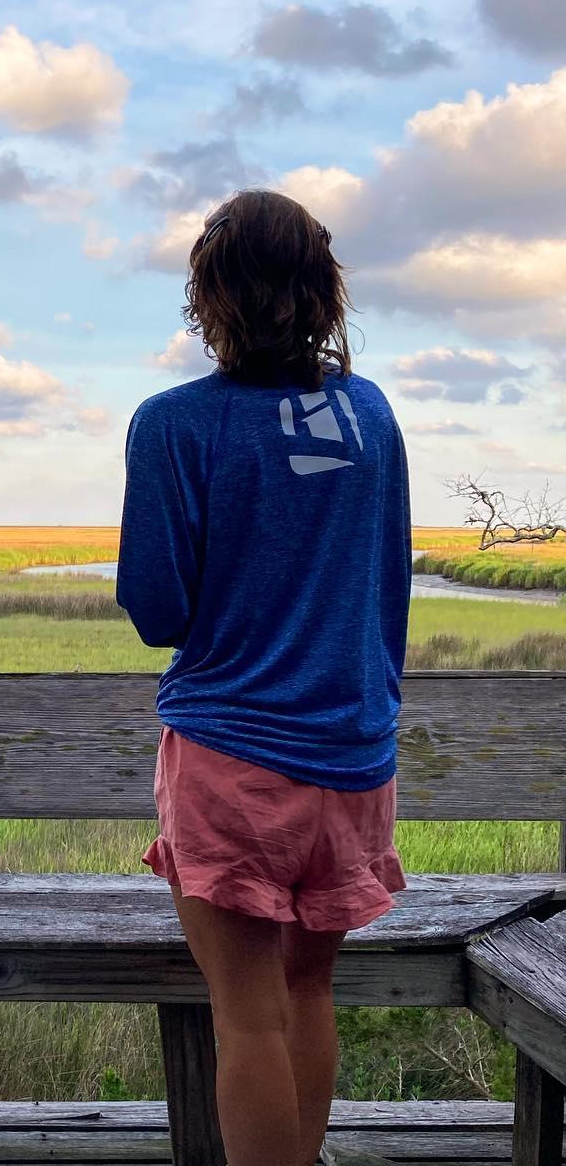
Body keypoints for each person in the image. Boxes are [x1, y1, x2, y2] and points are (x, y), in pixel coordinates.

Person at [116, 189, 412, 1166]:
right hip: (352, 762)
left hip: (233, 762)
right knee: (306, 991)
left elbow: (158, 610)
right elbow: (383, 591)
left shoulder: (173, 425)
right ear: (324, 291)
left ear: (211, 297)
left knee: (246, 1017)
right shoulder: (364, 414)